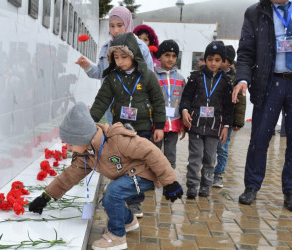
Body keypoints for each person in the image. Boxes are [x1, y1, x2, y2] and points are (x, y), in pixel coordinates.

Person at [28, 102, 183, 250]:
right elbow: (69, 176)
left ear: (83, 138)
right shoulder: (87, 154)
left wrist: (170, 182)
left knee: (113, 193)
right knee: (110, 195)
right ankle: (128, 220)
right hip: (128, 175)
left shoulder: (116, 140)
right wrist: (46, 197)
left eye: (71, 143)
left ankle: (117, 235)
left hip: (145, 173)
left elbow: (152, 151)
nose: (68, 148)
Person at [90, 32, 166, 217]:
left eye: (124, 57)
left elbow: (158, 101)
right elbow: (101, 101)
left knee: (138, 166)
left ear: (134, 54)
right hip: (120, 130)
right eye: (116, 57)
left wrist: (160, 126)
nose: (120, 61)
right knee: (122, 164)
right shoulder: (113, 78)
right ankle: (120, 194)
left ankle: (135, 203)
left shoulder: (147, 76)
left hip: (142, 129)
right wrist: (90, 121)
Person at [232, 0, 292, 211]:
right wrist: (243, 78)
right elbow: (246, 51)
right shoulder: (255, 12)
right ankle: (252, 186)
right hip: (268, 82)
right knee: (259, 137)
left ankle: (290, 191)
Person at [76, 6, 154, 125]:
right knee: (115, 138)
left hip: (134, 104)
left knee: (132, 139)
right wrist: (87, 66)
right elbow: (101, 73)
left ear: (128, 24)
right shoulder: (106, 47)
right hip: (111, 105)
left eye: (119, 25)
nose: (116, 30)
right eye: (112, 26)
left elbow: (150, 78)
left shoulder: (141, 47)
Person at [180, 40, 233, 198]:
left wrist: (226, 126)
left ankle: (205, 185)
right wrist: (184, 111)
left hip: (214, 127)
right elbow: (186, 98)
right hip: (195, 124)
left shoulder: (225, 82)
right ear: (205, 59)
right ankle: (192, 185)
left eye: (217, 60)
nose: (213, 63)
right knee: (195, 157)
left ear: (222, 61)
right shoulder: (195, 77)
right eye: (210, 59)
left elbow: (229, 107)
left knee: (210, 158)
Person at [212, 45, 246, 188]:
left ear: (229, 62)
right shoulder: (212, 74)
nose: (217, 62)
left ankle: (218, 174)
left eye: (222, 59)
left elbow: (241, 101)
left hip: (227, 120)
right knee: (208, 148)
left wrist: (237, 121)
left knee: (223, 148)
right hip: (211, 119)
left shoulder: (236, 79)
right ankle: (207, 171)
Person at [153, 40, 186, 170]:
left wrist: (183, 125)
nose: (171, 59)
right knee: (154, 154)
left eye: (174, 56)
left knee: (170, 155)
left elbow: (183, 102)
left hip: (174, 124)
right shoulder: (152, 77)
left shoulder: (181, 79)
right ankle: (151, 182)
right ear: (159, 56)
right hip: (156, 125)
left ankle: (169, 182)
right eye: (167, 55)